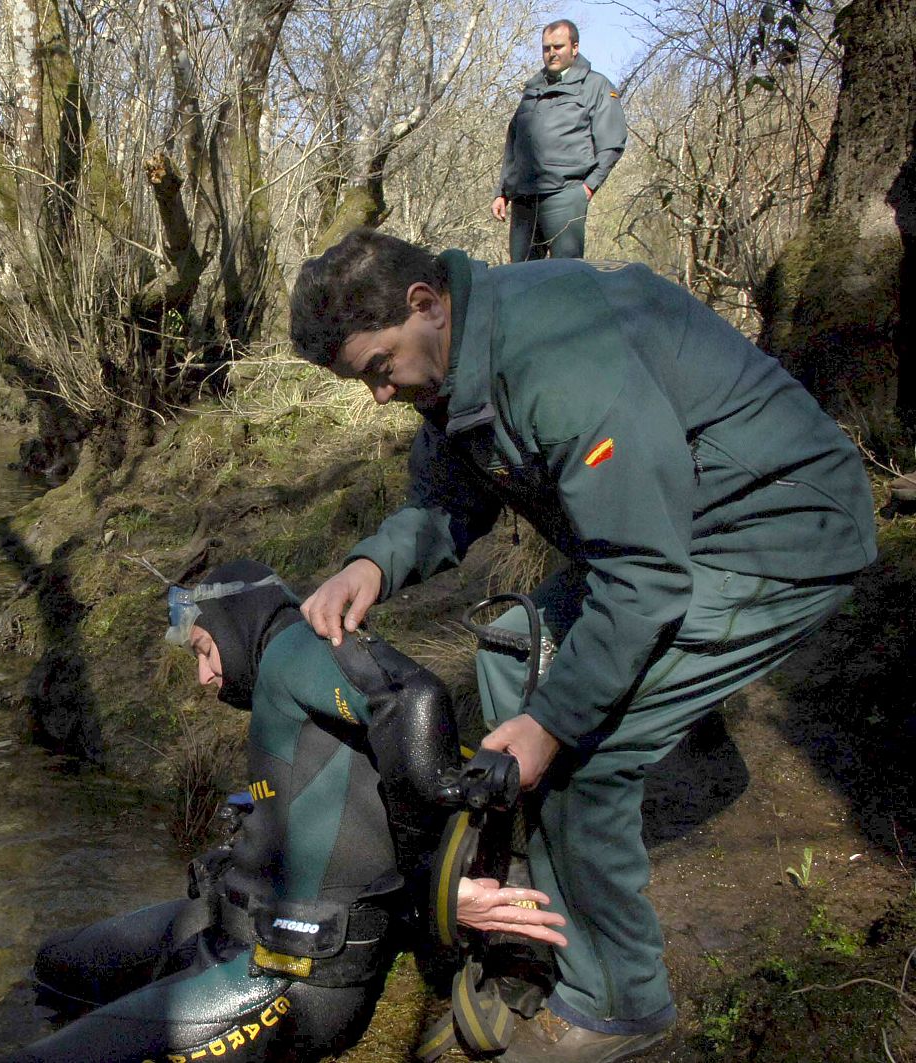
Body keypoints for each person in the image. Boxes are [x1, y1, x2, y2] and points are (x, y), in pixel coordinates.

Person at [289, 228, 876, 1062]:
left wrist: (552, 725)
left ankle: (619, 1006)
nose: (379, 395)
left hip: (775, 535)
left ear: (423, 305)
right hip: (667, 531)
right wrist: (371, 566)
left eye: (379, 368)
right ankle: (544, 913)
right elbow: (445, 501)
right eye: (364, 381)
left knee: (585, 749)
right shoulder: (455, 364)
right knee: (505, 651)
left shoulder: (559, 355)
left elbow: (643, 576)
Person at [10, 560, 567, 1063]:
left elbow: (413, 697)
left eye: (203, 651)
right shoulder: (291, 681)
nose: (204, 678)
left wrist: (442, 873)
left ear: (237, 621)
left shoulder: (294, 649)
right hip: (228, 927)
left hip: (291, 977)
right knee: (55, 966)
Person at [490, 19, 626, 262]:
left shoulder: (595, 85)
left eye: (558, 47)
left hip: (565, 195)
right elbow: (514, 142)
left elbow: (612, 143)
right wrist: (503, 192)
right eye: (546, 48)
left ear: (574, 47)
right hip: (524, 199)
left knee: (565, 278)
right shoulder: (532, 90)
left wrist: (587, 188)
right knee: (519, 280)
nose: (551, 53)